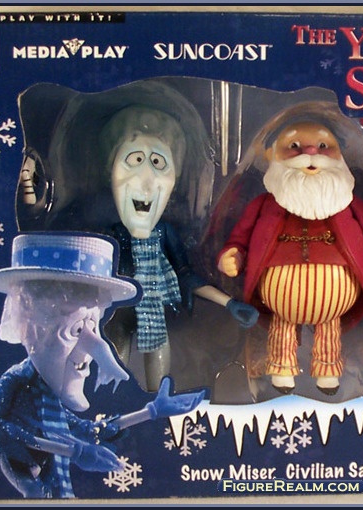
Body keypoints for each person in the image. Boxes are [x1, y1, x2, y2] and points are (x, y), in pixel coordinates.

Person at [0, 233, 205, 498]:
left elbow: (87, 431)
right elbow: (4, 430)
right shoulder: (16, 382)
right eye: (76, 330)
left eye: (94, 325)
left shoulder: (50, 402)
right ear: (33, 330)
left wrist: (150, 412)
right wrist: (73, 451)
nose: (92, 350)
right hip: (23, 471)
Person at [218, 118, 363, 395]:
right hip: (280, 301)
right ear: (271, 155)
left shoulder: (353, 207)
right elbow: (239, 238)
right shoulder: (263, 205)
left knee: (329, 329)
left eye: (323, 146)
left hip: (334, 302)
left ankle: (328, 371)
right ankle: (281, 368)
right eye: (294, 145)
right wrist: (232, 256)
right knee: (282, 327)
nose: (311, 153)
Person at [102, 106, 258, 391]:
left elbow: (185, 275)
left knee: (157, 359)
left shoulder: (165, 234)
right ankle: (111, 399)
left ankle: (155, 401)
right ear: (109, 171)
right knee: (113, 355)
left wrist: (229, 303)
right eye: (134, 160)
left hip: (156, 319)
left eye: (158, 163)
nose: (146, 181)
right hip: (115, 316)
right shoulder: (110, 238)